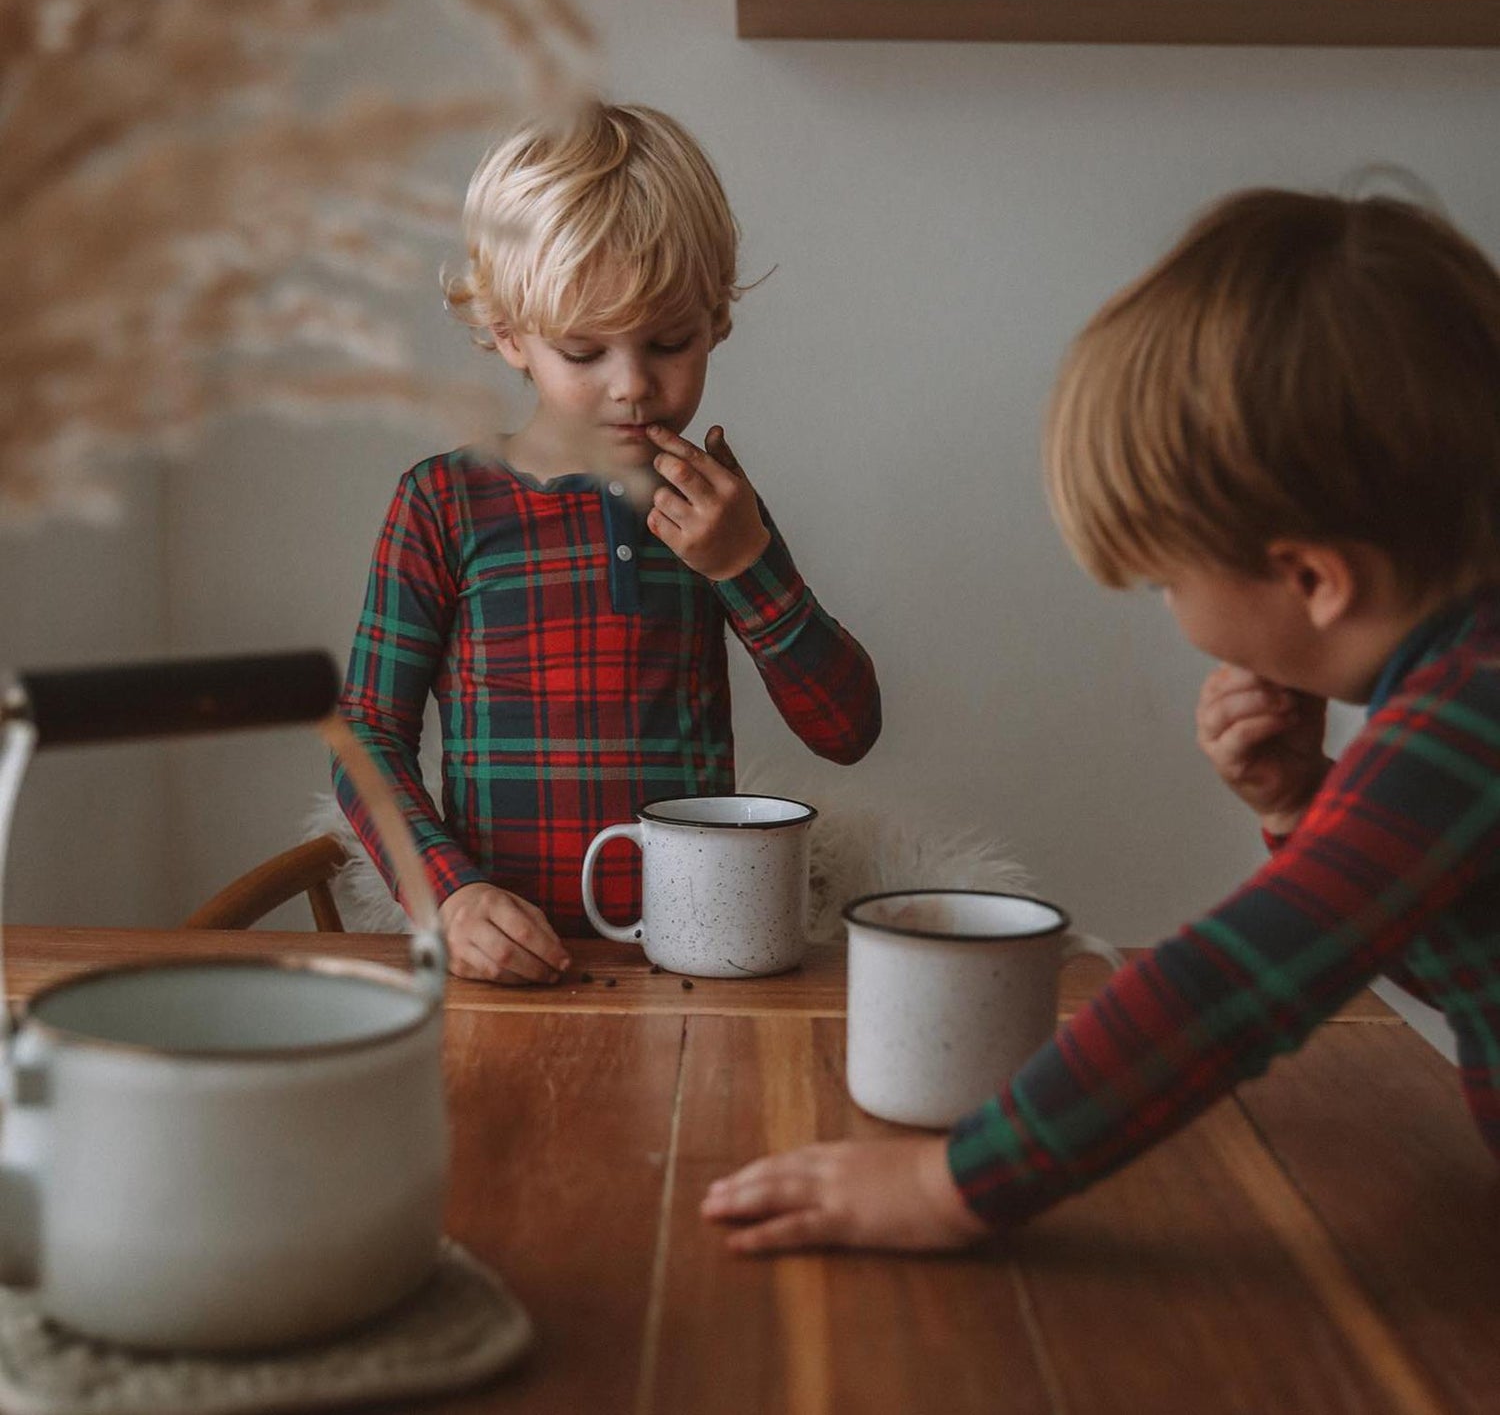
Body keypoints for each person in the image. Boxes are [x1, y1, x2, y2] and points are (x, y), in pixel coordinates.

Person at [701, 187, 1500, 1252]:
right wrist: (1309, 803)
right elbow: (1447, 942)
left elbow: (1237, 982)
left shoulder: (1467, 714)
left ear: (1311, 577)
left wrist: (952, 1185)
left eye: (1165, 578)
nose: (1170, 613)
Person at [335, 100, 881, 983]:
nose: (633, 387)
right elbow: (365, 733)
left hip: (695, 962)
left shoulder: (717, 506)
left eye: (670, 341)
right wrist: (451, 894)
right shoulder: (442, 503)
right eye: (584, 351)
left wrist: (747, 565)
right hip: (509, 967)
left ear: (717, 320)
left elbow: (848, 728)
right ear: (509, 336)